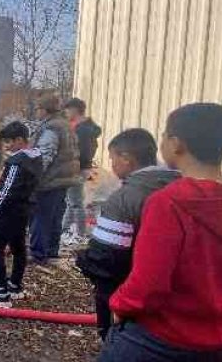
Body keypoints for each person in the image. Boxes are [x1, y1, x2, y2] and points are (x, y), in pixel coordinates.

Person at [98, 103, 222, 362]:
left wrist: (120, 305)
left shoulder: (168, 203)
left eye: (165, 134)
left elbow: (149, 282)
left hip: (162, 340)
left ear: (176, 144)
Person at [75, 128, 179, 341]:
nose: (111, 166)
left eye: (113, 159)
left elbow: (106, 260)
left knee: (115, 339)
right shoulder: (181, 187)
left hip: (129, 299)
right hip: (175, 306)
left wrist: (83, 259)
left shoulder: (123, 200)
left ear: (126, 159)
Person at [0, 121, 42, 307]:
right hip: (24, 210)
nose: (7, 146)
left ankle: (1, 292)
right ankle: (15, 285)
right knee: (18, 247)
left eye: (9, 142)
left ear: (20, 140)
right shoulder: (35, 157)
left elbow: (7, 189)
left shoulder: (17, 162)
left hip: (9, 211)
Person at [29, 96, 80, 264]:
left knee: (41, 217)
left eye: (37, 108)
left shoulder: (51, 128)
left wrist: (32, 176)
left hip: (49, 180)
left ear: (44, 110)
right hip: (63, 180)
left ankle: (38, 253)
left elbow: (44, 156)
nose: (36, 111)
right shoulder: (64, 125)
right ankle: (51, 251)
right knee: (54, 217)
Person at [61, 98, 102, 245]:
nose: (65, 113)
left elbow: (83, 152)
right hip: (78, 168)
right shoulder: (83, 127)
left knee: (75, 202)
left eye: (67, 109)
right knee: (71, 201)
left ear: (75, 109)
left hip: (77, 169)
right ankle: (65, 230)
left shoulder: (83, 130)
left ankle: (79, 234)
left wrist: (73, 166)